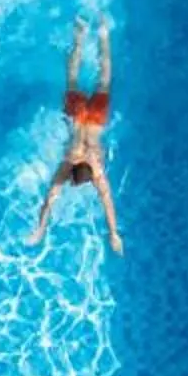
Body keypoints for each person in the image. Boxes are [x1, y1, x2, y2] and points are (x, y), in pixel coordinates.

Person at [28, 18, 122, 253]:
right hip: (78, 116)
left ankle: (100, 33)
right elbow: (50, 199)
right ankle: (80, 35)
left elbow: (108, 204)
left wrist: (114, 233)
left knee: (104, 78)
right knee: (71, 79)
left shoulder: (96, 168)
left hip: (96, 119)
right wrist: (40, 227)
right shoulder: (68, 163)